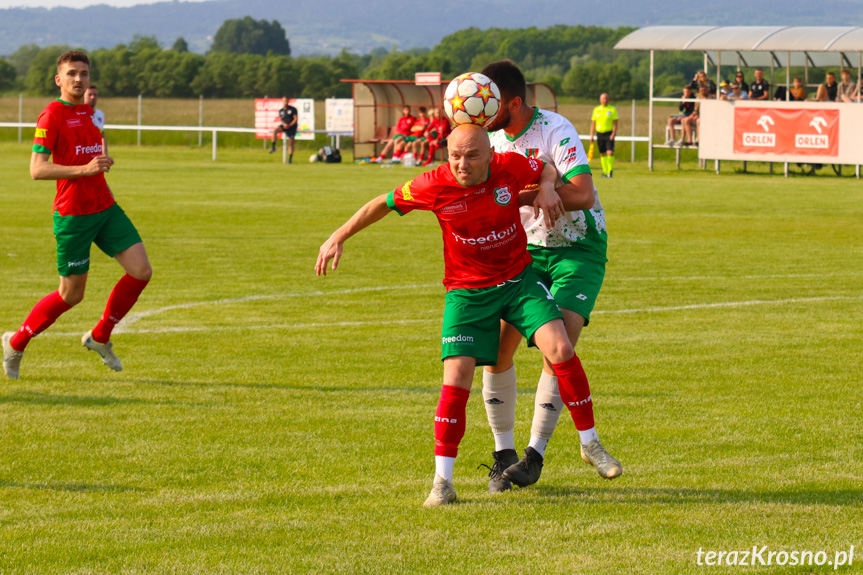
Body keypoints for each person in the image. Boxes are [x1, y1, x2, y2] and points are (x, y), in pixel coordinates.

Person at [317, 123, 598, 507]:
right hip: (466, 293)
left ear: (490, 155)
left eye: (471, 156)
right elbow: (382, 202)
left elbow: (544, 168)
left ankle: (587, 444)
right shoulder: (433, 184)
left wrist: (547, 184)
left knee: (560, 348)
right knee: (456, 378)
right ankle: (442, 483)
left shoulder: (509, 166)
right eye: (454, 156)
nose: (461, 165)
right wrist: (339, 235)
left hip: (517, 282)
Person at [480, 59, 621, 493]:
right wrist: (539, 184)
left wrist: (547, 185)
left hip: (578, 250)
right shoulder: (489, 138)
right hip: (527, 250)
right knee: (497, 348)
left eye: (492, 103)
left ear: (515, 103)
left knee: (557, 346)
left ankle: (534, 455)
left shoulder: (554, 129)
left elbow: (582, 193)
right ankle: (504, 455)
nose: (483, 111)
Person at [2, 50, 152, 380]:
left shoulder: (88, 113)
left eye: (83, 73)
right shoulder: (51, 116)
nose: (78, 79)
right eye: (71, 73)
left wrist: (101, 161)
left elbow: (91, 152)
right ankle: (15, 342)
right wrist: (83, 170)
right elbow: (36, 170)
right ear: (59, 79)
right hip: (73, 216)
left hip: (105, 208)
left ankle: (100, 337)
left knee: (141, 271)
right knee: (72, 295)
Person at [589, 93, 618, 178]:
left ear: (608, 99)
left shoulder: (612, 110)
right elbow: (593, 123)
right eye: (603, 99)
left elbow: (615, 123)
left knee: (610, 152)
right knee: (602, 153)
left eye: (606, 98)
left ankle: (610, 171)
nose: (605, 100)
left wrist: (613, 133)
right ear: (600, 100)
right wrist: (591, 134)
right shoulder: (597, 110)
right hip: (599, 133)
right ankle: (605, 172)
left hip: (609, 133)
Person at [269, 96, 298, 162]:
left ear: (288, 101)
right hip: (284, 126)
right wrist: (284, 124)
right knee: (275, 131)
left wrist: (289, 125)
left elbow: (295, 119)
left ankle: (290, 159)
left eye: (286, 101)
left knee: (291, 142)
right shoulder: (281, 111)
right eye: (284, 101)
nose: (285, 102)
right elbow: (281, 119)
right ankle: (273, 147)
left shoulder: (293, 109)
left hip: (291, 127)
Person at [84, 84, 107, 155]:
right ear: (83, 96)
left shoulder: (100, 114)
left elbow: (102, 135)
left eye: (95, 95)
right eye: (89, 94)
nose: (92, 97)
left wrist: (105, 154)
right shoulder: (77, 114)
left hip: (96, 156)